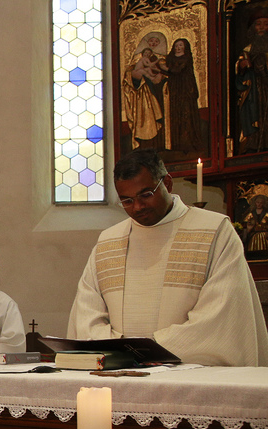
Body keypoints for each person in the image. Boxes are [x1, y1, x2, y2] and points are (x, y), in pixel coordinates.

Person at [67, 148, 268, 366]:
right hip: (119, 373)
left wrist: (146, 352)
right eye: (127, 201)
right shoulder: (108, 241)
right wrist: (122, 354)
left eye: (146, 195)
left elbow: (222, 314)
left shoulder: (215, 231)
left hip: (190, 376)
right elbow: (86, 315)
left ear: (168, 184)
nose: (137, 207)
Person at [235, 13, 268, 153]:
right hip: (253, 90)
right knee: (254, 112)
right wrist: (242, 66)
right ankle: (254, 143)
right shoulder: (247, 49)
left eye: (265, 24)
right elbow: (238, 71)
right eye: (258, 24)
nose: (262, 27)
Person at [164, 38, 202, 154]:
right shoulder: (170, 58)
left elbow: (177, 70)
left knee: (186, 115)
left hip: (186, 90)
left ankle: (188, 143)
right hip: (175, 91)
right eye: (176, 45)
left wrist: (164, 67)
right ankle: (176, 144)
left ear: (185, 47)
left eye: (180, 45)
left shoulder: (186, 58)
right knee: (176, 115)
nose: (178, 48)